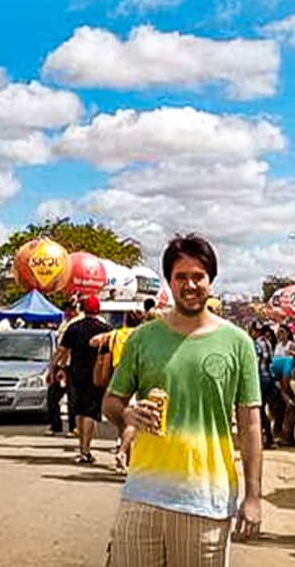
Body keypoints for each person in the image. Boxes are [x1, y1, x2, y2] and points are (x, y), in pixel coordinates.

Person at [104, 235, 262, 565]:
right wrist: (128, 416)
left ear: (210, 280)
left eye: (198, 276)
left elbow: (249, 426)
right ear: (169, 282)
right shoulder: (142, 339)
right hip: (142, 495)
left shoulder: (238, 344)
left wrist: (253, 496)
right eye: (181, 277)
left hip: (206, 501)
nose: (190, 285)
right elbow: (111, 402)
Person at [60, 294, 113, 464]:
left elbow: (63, 350)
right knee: (90, 411)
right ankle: (86, 450)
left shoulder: (73, 327)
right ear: (98, 310)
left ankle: (81, 447)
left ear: (82, 309)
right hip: (95, 374)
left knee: (79, 410)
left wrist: (59, 368)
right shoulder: (106, 329)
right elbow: (110, 354)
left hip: (75, 373)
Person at [92, 310, 145, 472]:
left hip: (117, 377)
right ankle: (125, 455)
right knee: (133, 420)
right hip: (137, 378)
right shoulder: (143, 336)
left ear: (125, 321)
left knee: (123, 421)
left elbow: (93, 342)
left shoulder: (114, 334)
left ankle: (126, 457)